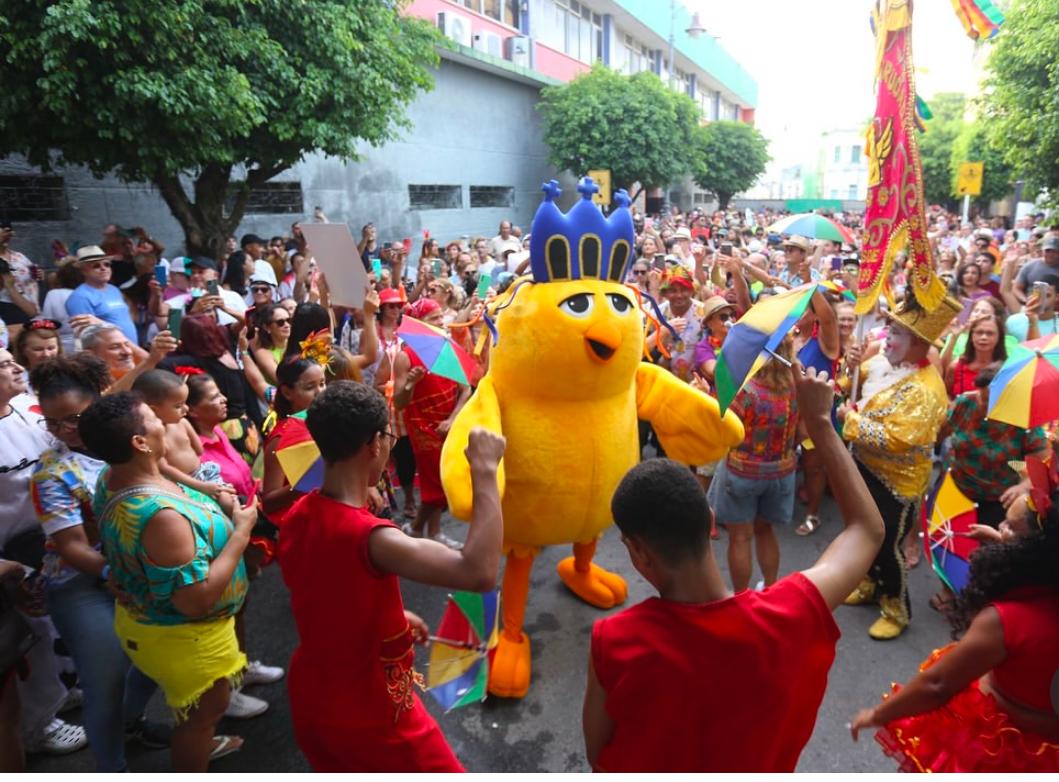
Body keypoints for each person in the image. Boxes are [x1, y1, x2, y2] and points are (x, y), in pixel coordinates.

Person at [582, 365, 885, 772]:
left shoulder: (616, 639)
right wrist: (819, 422)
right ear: (710, 522)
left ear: (637, 552)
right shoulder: (788, 613)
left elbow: (598, 755)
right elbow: (867, 530)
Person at [277, 381, 506, 771]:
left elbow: (328, 590)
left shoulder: (298, 514)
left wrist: (392, 620)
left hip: (313, 694)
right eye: (387, 435)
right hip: (372, 710)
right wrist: (484, 471)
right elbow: (479, 571)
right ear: (373, 444)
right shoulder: (373, 538)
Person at [81, 392, 256, 772]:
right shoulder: (162, 517)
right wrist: (240, 533)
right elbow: (194, 600)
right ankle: (195, 750)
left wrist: (207, 493)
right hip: (187, 637)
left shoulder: (113, 474)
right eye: (154, 419)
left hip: (148, 620)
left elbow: (158, 468)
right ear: (139, 442)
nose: (165, 422)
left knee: (193, 713)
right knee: (202, 716)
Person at [28, 356, 168, 771]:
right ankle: (112, 767)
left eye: (72, 418)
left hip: (135, 571)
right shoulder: (51, 472)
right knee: (104, 682)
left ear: (98, 403)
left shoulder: (127, 441)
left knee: (157, 660)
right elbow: (71, 547)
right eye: (51, 423)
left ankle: (130, 722)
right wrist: (111, 574)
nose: (62, 431)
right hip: (82, 584)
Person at [850, 497, 1059, 771]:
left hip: (997, 750)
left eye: (1010, 526)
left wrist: (878, 715)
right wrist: (1003, 541)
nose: (1000, 527)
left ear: (1034, 549)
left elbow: (937, 685)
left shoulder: (1007, 620)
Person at [841, 294, 961, 639]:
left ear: (919, 344)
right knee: (865, 534)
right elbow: (859, 382)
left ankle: (897, 607)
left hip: (897, 483)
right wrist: (852, 366)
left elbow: (895, 439)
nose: (885, 338)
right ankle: (869, 582)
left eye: (895, 333)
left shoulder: (927, 390)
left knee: (886, 544)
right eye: (888, 329)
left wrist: (851, 422)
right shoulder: (885, 361)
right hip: (865, 467)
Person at [710, 338, 798, 592]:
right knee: (765, 530)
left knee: (740, 537)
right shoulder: (795, 388)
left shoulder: (745, 392)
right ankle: (770, 588)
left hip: (742, 473)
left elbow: (726, 433)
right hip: (781, 473)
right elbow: (802, 432)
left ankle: (741, 598)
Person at [392, 299, 470, 548]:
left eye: (440, 317)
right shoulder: (404, 357)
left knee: (443, 481)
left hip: (449, 425)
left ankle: (416, 529)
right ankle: (432, 532)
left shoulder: (447, 348)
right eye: (434, 319)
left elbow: (465, 390)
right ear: (419, 324)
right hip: (422, 428)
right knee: (437, 482)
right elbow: (400, 402)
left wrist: (452, 419)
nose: (441, 322)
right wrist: (409, 385)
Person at [132, 369, 238, 501]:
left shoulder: (182, 422)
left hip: (204, 472)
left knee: (229, 500)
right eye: (178, 406)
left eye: (185, 403)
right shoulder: (153, 438)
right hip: (184, 484)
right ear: (153, 410)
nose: (186, 409)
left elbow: (199, 449)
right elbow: (165, 469)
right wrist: (201, 486)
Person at [260, 356, 327, 525]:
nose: (320, 392)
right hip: (300, 523)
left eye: (322, 383)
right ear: (287, 392)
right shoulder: (281, 438)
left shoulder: (327, 421)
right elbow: (268, 502)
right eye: (310, 387)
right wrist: (303, 485)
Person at [64, 247, 138, 344]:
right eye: (96, 266)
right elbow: (85, 335)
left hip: (130, 350)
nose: (104, 268)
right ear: (83, 271)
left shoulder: (114, 289)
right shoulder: (79, 297)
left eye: (107, 264)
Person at [944, 312, 1006, 397]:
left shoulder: (1005, 370)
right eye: (979, 332)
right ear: (971, 336)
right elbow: (946, 396)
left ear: (999, 337)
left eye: (990, 333)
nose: (984, 337)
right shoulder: (955, 367)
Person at [0, 218, 41, 333]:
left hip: (32, 308)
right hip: (10, 313)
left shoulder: (19, 256)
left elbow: (32, 276)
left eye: (9, 232)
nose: (8, 234)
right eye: (3, 230)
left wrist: (37, 274)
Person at [249, 304, 291, 385]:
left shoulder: (297, 343)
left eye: (289, 320)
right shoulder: (263, 353)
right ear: (267, 328)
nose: (287, 325)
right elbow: (281, 381)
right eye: (280, 322)